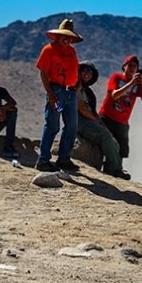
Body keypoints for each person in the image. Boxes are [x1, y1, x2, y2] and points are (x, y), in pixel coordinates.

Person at [35, 19, 82, 173]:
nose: (67, 39)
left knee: (71, 125)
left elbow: (75, 69)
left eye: (69, 37)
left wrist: (78, 83)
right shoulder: (48, 50)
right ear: (58, 36)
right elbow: (43, 72)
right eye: (64, 36)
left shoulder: (72, 51)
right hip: (56, 91)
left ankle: (64, 159)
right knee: (53, 125)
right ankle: (43, 160)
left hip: (70, 92)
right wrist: (50, 93)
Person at [76, 62, 130, 180]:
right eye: (84, 70)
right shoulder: (74, 87)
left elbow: (92, 111)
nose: (87, 73)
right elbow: (81, 109)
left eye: (90, 72)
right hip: (78, 122)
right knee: (105, 136)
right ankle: (115, 170)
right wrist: (96, 121)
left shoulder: (88, 92)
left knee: (113, 140)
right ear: (78, 71)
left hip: (89, 121)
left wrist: (99, 121)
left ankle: (114, 167)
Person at [98, 55, 142, 170]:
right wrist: (131, 83)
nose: (132, 68)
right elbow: (114, 95)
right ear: (124, 67)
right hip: (107, 116)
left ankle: (116, 169)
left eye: (134, 66)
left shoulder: (138, 85)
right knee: (105, 143)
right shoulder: (116, 77)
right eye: (130, 65)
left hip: (122, 121)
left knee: (121, 148)